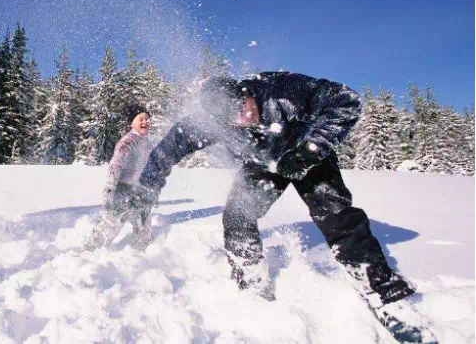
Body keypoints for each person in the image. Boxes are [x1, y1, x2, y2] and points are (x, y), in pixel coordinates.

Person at [139, 72, 436, 343]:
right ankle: (252, 282)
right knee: (238, 217)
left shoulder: (282, 89)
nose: (243, 119)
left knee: (336, 218)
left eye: (243, 108)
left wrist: (310, 150)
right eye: (232, 119)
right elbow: (166, 151)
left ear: (247, 93)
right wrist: (145, 190)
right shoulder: (212, 121)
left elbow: (347, 101)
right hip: (262, 165)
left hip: (305, 155)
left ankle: (385, 293)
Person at [87, 104, 157, 249]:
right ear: (132, 122)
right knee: (110, 223)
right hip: (123, 189)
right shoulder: (127, 141)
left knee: (143, 224)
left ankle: (139, 253)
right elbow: (116, 165)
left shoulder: (148, 143)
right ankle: (91, 249)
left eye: (147, 119)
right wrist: (110, 188)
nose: (145, 122)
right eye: (141, 119)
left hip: (141, 191)